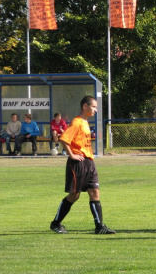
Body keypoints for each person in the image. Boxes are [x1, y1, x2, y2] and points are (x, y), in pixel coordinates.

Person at [49, 96, 116, 234]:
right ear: (85, 106)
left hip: (89, 161)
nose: (96, 110)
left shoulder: (85, 122)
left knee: (94, 192)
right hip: (78, 162)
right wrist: (72, 155)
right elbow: (64, 139)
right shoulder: (77, 122)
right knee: (74, 195)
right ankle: (55, 224)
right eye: (94, 107)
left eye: (96, 107)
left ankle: (99, 227)